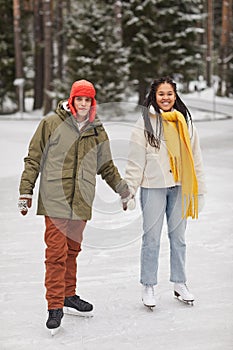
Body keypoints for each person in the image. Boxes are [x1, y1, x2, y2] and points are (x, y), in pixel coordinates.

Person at [18, 79, 130, 332]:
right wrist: (26, 191)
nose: (82, 103)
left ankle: (69, 295)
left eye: (87, 99)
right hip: (55, 199)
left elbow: (106, 166)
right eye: (78, 98)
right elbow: (33, 159)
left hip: (81, 200)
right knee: (55, 254)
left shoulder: (97, 129)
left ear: (92, 102)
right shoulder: (50, 124)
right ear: (71, 100)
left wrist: (122, 190)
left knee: (72, 251)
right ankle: (55, 305)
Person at [124, 77, 207, 308]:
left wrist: (199, 189)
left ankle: (180, 283)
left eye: (169, 93)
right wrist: (129, 191)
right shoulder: (145, 123)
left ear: (175, 95)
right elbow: (134, 161)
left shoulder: (185, 121)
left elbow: (196, 157)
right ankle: (148, 285)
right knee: (151, 239)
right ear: (154, 95)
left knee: (178, 238)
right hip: (153, 187)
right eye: (161, 94)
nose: (166, 98)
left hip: (181, 186)